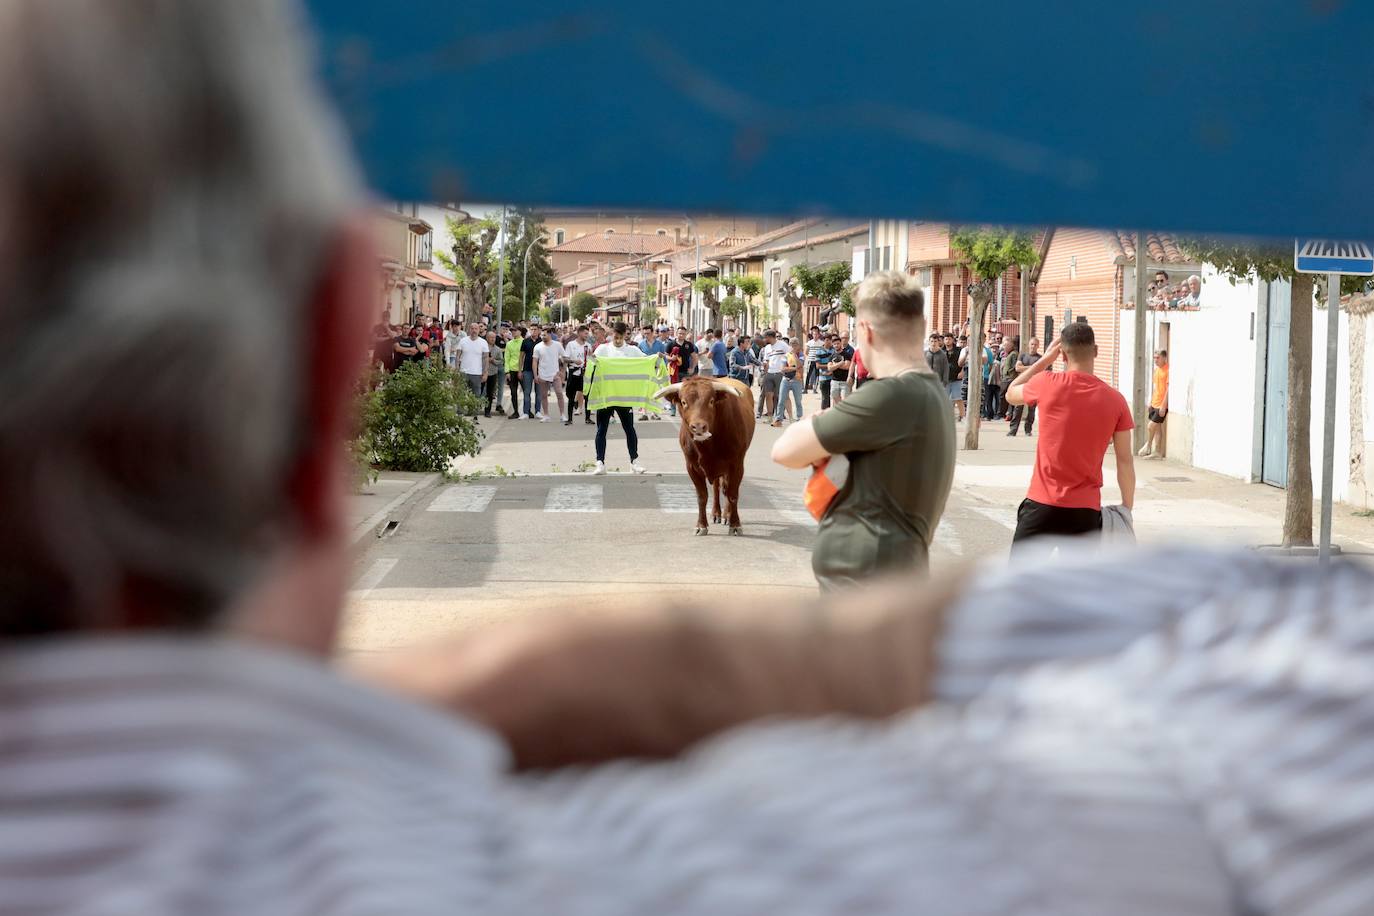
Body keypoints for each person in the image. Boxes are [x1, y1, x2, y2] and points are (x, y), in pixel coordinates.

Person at [15, 12, 1374, 914]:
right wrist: (483, 691)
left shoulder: (920, 394)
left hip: (915, 537)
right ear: (332, 356)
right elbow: (1315, 671)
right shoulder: (728, 870)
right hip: (914, 570)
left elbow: (810, 435)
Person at [772, 272, 956, 589]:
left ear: (865, 331)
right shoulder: (927, 390)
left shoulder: (892, 394)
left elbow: (785, 451)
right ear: (923, 326)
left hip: (864, 586)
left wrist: (813, 421)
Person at [1005, 323, 1136, 551]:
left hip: (1041, 505)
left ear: (1063, 355)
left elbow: (1010, 393)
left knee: (1024, 585)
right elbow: (1125, 461)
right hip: (1084, 512)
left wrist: (1045, 360)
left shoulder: (1046, 383)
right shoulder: (1116, 401)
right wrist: (1127, 507)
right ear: (1095, 351)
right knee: (1078, 586)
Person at [590, 321, 647, 475]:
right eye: (615, 336)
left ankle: (634, 461)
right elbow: (592, 364)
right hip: (606, 396)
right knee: (602, 429)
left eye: (620, 337)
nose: (617, 339)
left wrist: (657, 358)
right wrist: (591, 359)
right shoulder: (603, 349)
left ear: (625, 336)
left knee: (629, 429)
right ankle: (600, 462)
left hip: (624, 397)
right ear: (612, 334)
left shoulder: (633, 350)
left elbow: (646, 362)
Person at [1007, 336, 1042, 436]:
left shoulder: (1039, 358)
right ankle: (1013, 430)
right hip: (1021, 386)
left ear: (1038, 346)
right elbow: (1017, 368)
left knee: (1031, 409)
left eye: (1035, 345)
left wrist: (1026, 368)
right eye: (1032, 344)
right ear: (1029, 345)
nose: (1033, 346)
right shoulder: (1022, 356)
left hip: (1033, 385)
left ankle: (1028, 430)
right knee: (1018, 408)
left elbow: (1039, 370)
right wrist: (1032, 368)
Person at [1138, 349, 1169, 458]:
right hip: (1155, 403)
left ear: (1164, 358)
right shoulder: (1157, 371)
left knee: (1150, 426)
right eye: (1154, 358)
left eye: (1158, 358)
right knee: (1157, 429)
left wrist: (1164, 406)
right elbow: (1156, 388)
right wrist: (1151, 402)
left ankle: (1148, 445)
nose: (1155, 360)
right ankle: (1158, 452)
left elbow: (1168, 389)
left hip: (1162, 404)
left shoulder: (1168, 370)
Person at [532, 329, 565, 423]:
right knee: (543, 395)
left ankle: (562, 415)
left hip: (555, 374)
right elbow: (534, 361)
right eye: (541, 335)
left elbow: (564, 358)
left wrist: (562, 372)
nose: (542, 337)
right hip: (542, 374)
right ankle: (546, 415)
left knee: (559, 393)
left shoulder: (557, 345)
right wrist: (535, 375)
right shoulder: (537, 347)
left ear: (550, 335)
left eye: (545, 335)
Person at [562, 324, 592, 426]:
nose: (587, 335)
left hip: (585, 374)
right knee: (571, 396)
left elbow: (591, 359)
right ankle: (569, 419)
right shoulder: (571, 344)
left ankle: (588, 418)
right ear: (579, 333)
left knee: (587, 396)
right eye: (585, 333)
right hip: (573, 373)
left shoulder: (588, 346)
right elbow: (565, 358)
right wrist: (574, 360)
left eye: (588, 333)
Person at [772, 337, 805, 427]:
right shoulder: (786, 355)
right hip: (785, 380)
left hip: (797, 380)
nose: (793, 346)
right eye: (792, 344)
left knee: (798, 401)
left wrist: (795, 356)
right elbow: (783, 369)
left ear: (798, 345)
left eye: (795, 344)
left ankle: (799, 418)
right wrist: (794, 368)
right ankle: (778, 419)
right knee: (781, 400)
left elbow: (800, 364)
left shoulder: (801, 355)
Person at [455, 322, 489, 409]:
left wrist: (485, 373)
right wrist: (457, 369)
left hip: (477, 373)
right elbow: (458, 356)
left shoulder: (483, 342)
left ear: (479, 330)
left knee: (476, 395)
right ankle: (460, 413)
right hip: (463, 372)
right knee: (461, 393)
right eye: (472, 328)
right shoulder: (463, 341)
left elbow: (485, 358)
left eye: (476, 329)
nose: (474, 330)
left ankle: (474, 414)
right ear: (469, 329)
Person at [759, 330, 787, 420]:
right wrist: (765, 372)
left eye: (765, 337)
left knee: (780, 395)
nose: (764, 339)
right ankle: (770, 417)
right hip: (769, 373)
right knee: (768, 395)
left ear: (770, 337)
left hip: (779, 373)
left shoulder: (782, 345)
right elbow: (766, 361)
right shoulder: (767, 348)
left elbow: (790, 355)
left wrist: (785, 368)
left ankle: (779, 415)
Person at [504, 327, 526, 420]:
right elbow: (507, 357)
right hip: (512, 370)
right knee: (513, 392)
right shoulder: (509, 343)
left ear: (520, 332)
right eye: (512, 331)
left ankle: (527, 410)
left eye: (515, 331)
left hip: (523, 370)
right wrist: (507, 371)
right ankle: (516, 411)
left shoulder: (524, 342)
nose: (513, 332)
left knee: (526, 391)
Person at [941, 333, 964, 420]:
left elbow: (963, 362)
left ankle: (962, 415)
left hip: (956, 377)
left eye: (949, 339)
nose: (947, 341)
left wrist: (962, 371)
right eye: (946, 339)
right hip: (945, 378)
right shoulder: (941, 351)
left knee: (958, 397)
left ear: (953, 340)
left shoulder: (958, 350)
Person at [519, 322, 538, 418]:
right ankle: (526, 412)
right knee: (527, 391)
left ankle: (538, 411)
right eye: (532, 329)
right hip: (527, 369)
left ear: (538, 330)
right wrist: (520, 370)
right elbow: (521, 356)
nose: (533, 331)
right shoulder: (525, 341)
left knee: (539, 392)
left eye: (535, 329)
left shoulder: (541, 341)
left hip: (540, 370)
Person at [483, 331, 504, 417]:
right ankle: (476, 407)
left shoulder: (498, 349)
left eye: (494, 337)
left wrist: (493, 360)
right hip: (482, 372)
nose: (493, 339)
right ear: (487, 338)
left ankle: (487, 411)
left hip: (493, 373)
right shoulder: (483, 347)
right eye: (491, 337)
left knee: (490, 393)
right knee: (480, 391)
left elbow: (501, 361)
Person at [829, 333, 854, 403]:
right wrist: (841, 363)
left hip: (844, 382)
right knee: (835, 401)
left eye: (838, 343)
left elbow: (847, 367)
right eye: (835, 344)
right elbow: (830, 368)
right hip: (834, 382)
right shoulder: (832, 355)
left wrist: (835, 365)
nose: (836, 345)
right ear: (833, 345)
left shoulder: (847, 354)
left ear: (841, 344)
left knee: (845, 401)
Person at [815, 334, 836, 409]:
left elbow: (836, 363)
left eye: (830, 340)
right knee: (825, 397)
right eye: (826, 340)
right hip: (823, 378)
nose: (828, 342)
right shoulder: (819, 351)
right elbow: (818, 365)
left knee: (832, 397)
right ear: (823, 341)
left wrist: (832, 368)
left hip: (833, 377)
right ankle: (823, 414)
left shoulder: (834, 350)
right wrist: (829, 366)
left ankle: (829, 414)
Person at [803, 326, 825, 392]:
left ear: (818, 335)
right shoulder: (809, 343)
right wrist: (809, 356)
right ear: (812, 335)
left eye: (816, 334)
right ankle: (805, 388)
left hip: (818, 361)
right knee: (808, 374)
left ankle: (815, 389)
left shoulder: (821, 343)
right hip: (811, 360)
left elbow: (823, 351)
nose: (815, 335)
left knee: (817, 374)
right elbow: (806, 352)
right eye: (813, 334)